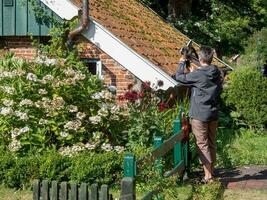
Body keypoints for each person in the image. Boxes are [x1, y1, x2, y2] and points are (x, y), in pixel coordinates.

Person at [175, 46, 222, 183]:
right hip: (213, 113)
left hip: (199, 114)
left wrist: (182, 61)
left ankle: (208, 176)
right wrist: (196, 73)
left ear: (200, 58)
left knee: (202, 144)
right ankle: (211, 171)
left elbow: (179, 77)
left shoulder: (198, 74)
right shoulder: (217, 72)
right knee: (212, 143)